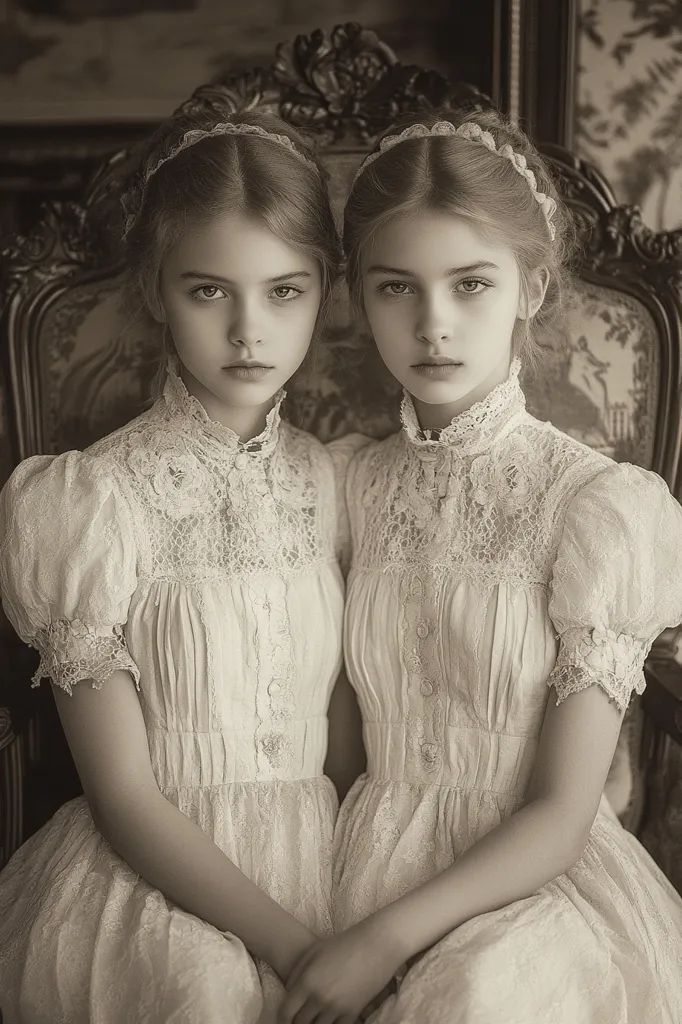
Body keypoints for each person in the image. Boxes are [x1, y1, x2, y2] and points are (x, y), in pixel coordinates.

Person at [278, 108, 682, 1024]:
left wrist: (385, 940)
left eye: (470, 284)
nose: (434, 325)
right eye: (396, 287)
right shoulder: (347, 484)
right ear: (359, 300)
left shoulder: (596, 508)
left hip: (530, 878)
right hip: (355, 855)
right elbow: (339, 747)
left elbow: (563, 813)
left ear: (530, 288)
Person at [0, 106, 352, 1024]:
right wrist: (291, 946)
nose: (248, 331)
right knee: (208, 998)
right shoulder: (89, 502)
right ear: (156, 290)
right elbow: (120, 792)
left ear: (325, 291)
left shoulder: (334, 479)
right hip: (155, 867)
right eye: (209, 291)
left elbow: (352, 727)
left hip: (331, 854)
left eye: (284, 291)